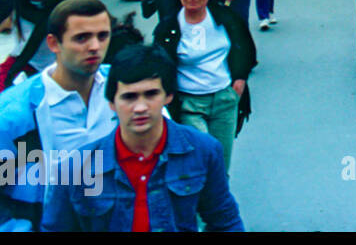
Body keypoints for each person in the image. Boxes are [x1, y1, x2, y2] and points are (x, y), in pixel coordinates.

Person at [41, 43, 246, 232]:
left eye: (151, 94)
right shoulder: (74, 168)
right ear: (112, 103)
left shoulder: (204, 151)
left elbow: (226, 222)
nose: (140, 108)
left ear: (168, 96)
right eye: (129, 97)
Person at [0, 0, 115, 229]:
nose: (95, 46)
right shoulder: (13, 112)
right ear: (53, 43)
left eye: (102, 36)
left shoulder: (126, 87)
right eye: (81, 38)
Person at [152, 0, 256, 174]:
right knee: (200, 160)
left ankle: (217, 205)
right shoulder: (168, 27)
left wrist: (240, 79)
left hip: (224, 100)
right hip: (190, 104)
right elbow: (159, 65)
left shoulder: (227, 19)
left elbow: (245, 49)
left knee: (220, 164)